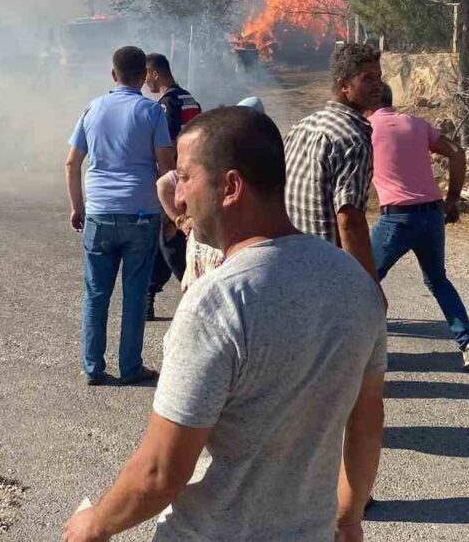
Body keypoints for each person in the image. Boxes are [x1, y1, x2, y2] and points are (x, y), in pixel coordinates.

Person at [62, 106, 386, 542]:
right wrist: (347, 518)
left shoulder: (217, 302)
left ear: (231, 186)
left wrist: (94, 524)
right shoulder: (356, 286)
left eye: (186, 177)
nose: (178, 198)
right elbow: (366, 422)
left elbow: (159, 473)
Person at [65, 46, 175, 386]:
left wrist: (77, 206)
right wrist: (172, 213)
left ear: (113, 76)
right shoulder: (152, 112)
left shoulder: (92, 109)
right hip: (141, 213)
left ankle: (92, 367)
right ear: (144, 76)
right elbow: (165, 166)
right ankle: (130, 367)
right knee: (134, 291)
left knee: (96, 293)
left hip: (99, 213)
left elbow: (72, 162)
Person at [368, 83, 469, 369]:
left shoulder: (365, 129)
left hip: (396, 217)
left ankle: (368, 351)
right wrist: (453, 200)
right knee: (437, 280)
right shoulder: (416, 124)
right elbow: (458, 152)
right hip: (431, 214)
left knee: (362, 279)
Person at [283, 43, 385, 283]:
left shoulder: (303, 126)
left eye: (379, 77)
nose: (378, 85)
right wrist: (367, 285)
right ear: (344, 86)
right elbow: (350, 220)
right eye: (368, 78)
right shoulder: (352, 138)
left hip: (292, 263)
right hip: (328, 274)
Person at [155, 97, 268, 291]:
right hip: (215, 247)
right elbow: (164, 184)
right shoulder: (212, 156)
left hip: (226, 249)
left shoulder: (257, 158)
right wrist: (181, 220)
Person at [144, 52, 202, 321]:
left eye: (147, 76)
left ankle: (194, 289)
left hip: (178, 180)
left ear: (155, 73)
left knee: (172, 240)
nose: (146, 83)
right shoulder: (188, 97)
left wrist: (166, 187)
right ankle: (148, 296)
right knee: (163, 240)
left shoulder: (166, 105)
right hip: (194, 176)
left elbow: (166, 150)